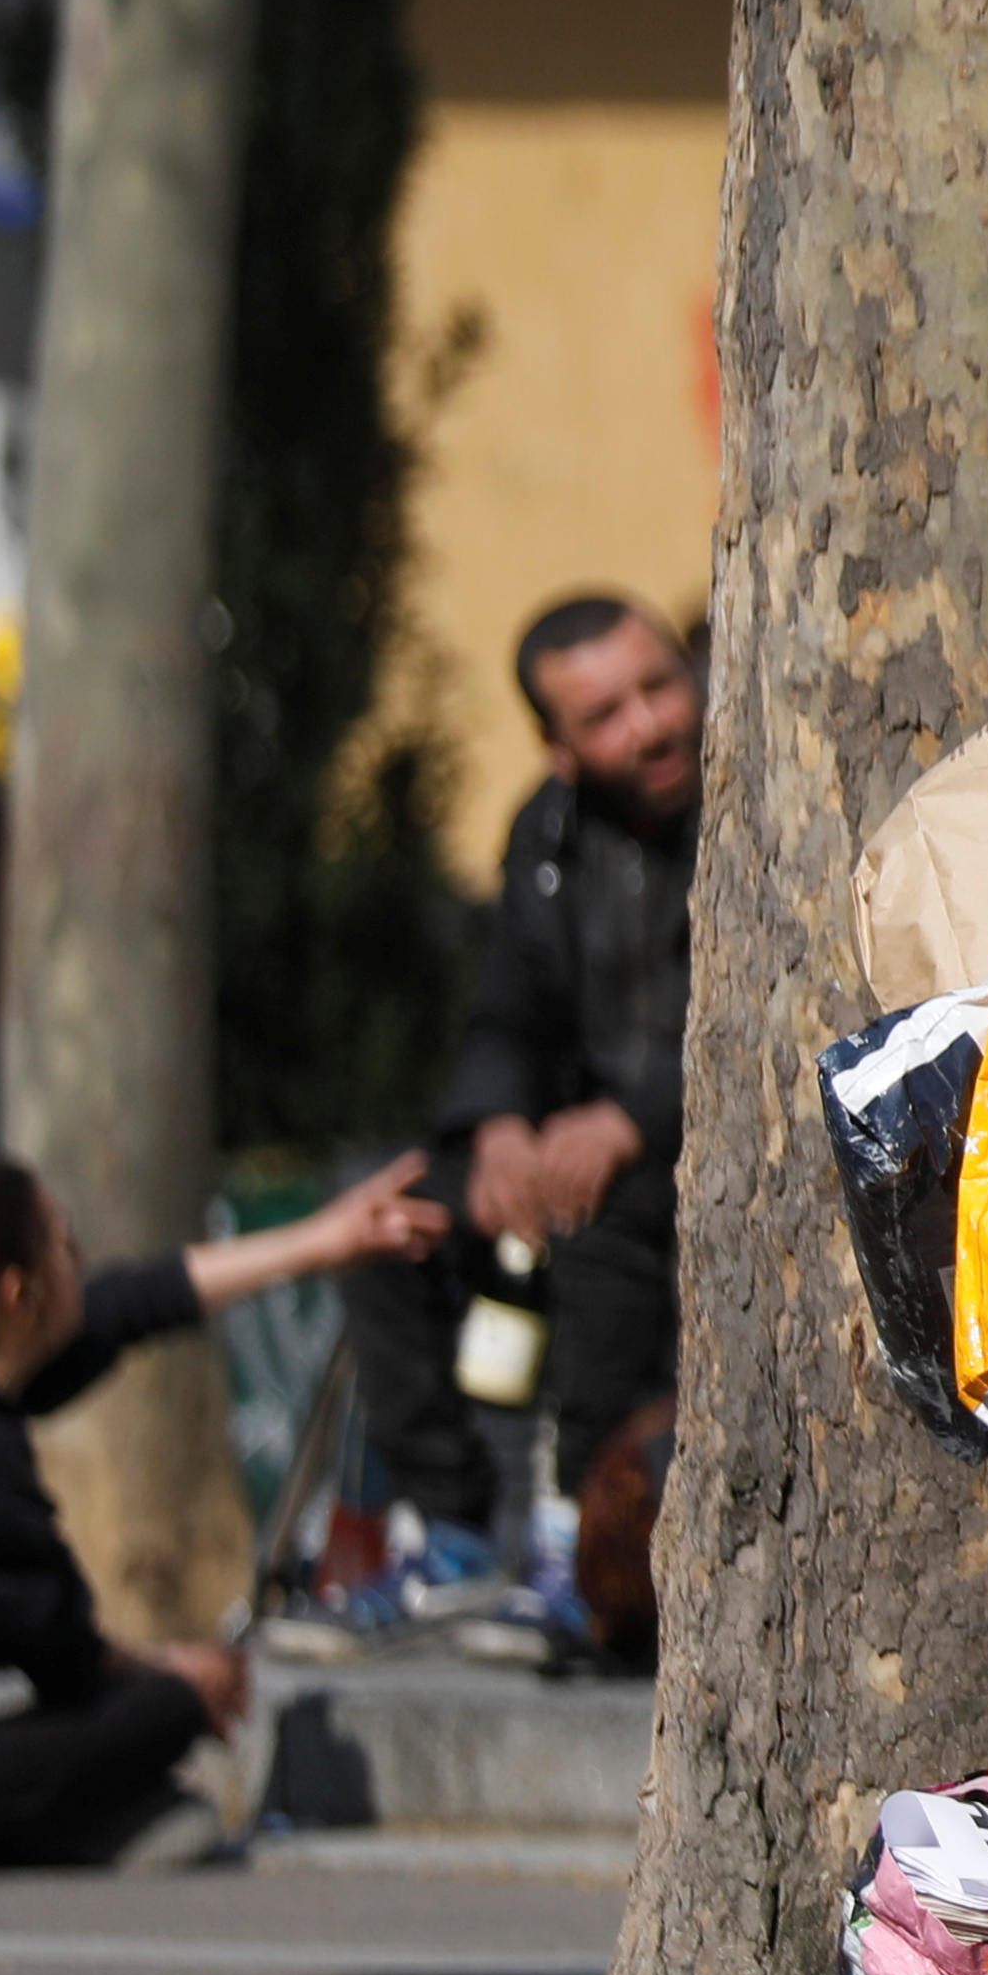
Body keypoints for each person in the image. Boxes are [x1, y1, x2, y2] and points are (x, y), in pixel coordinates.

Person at [0, 1147, 446, 1865]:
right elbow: (70, 1659)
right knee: (165, 1707)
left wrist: (317, 1242)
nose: (83, 1264)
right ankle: (84, 1827)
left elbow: (131, 1303)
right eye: (66, 1246)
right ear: (16, 1293)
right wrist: (182, 1676)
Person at [344, 596, 698, 1594]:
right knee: (387, 1218)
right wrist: (496, 1130)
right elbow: (507, 1006)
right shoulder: (545, 834)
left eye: (658, 686)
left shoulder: (754, 795)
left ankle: (587, 1546)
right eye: (606, 714)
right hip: (558, 1139)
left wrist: (630, 1120)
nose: (651, 725)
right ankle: (451, 1527)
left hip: (680, 1146)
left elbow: (781, 1012)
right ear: (559, 747)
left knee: (601, 1223)